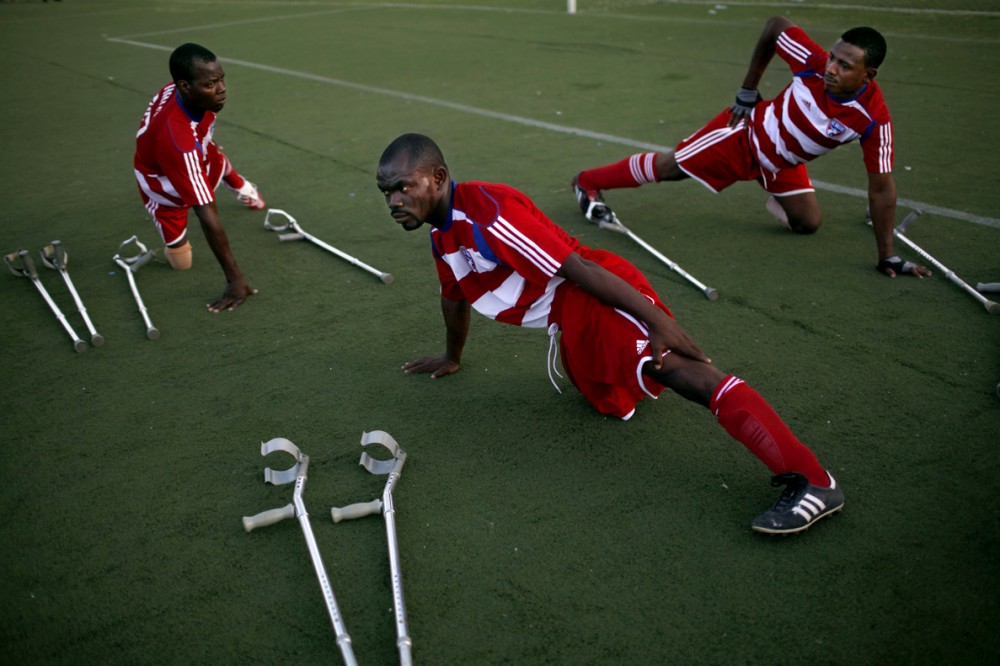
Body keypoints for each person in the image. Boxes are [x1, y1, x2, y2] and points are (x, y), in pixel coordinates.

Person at [377, 132, 845, 535]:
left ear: (437, 178)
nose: (394, 200)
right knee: (606, 400)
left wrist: (661, 322)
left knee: (677, 370)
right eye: (386, 192)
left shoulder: (490, 213)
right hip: (570, 318)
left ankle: (811, 478)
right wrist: (450, 354)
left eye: (403, 186)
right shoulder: (442, 232)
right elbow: (454, 296)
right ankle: (628, 364)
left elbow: (578, 268)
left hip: (596, 297)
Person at [572, 16, 930, 279]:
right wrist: (747, 89)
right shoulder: (813, 62)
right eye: (834, 57)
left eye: (844, 65)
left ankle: (775, 191)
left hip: (783, 162)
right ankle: (587, 180)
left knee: (808, 224)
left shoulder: (873, 121)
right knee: (671, 168)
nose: (831, 68)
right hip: (743, 136)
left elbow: (881, 188)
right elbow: (775, 27)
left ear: (869, 76)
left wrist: (887, 256)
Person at [134, 42, 263, 313]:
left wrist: (202, 144)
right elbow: (205, 212)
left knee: (212, 155)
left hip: (192, 151)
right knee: (182, 263)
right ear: (185, 86)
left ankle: (239, 183)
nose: (222, 88)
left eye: (221, 79)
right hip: (163, 185)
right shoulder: (179, 143)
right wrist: (234, 279)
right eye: (211, 84)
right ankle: (166, 210)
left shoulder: (185, 92)